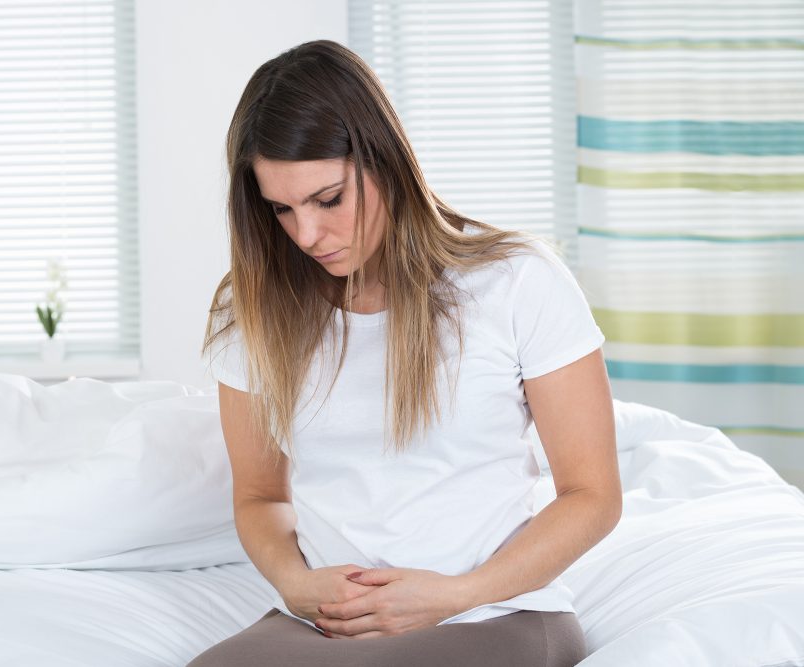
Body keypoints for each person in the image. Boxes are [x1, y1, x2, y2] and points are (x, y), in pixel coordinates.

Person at [191, 39, 621, 667]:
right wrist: (297, 584)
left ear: (385, 163)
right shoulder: (253, 307)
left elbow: (593, 494)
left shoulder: (517, 281)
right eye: (281, 209)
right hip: (324, 629)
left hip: (494, 613)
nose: (307, 235)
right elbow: (260, 497)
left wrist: (453, 595)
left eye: (328, 199)